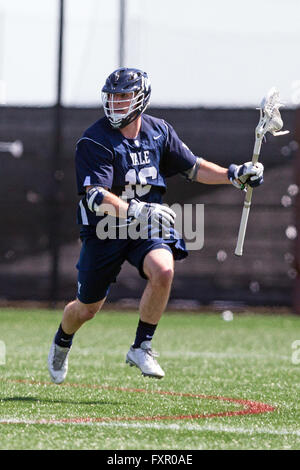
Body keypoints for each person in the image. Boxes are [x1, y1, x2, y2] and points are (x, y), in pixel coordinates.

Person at [47, 67, 264, 383]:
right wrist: (135, 211)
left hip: (146, 224)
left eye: (124, 97)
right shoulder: (95, 139)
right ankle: (62, 340)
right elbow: (95, 197)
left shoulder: (159, 131)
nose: (116, 103)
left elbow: (193, 167)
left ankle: (141, 346)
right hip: (105, 229)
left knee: (163, 269)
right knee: (87, 309)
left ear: (141, 98)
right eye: (113, 97)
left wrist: (233, 175)